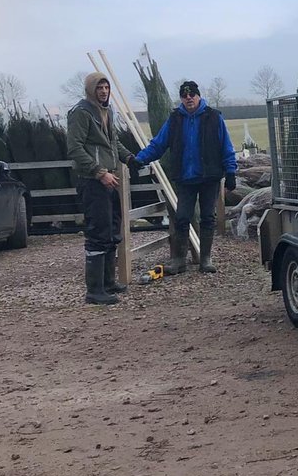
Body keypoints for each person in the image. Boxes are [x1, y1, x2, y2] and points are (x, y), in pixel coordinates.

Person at [132, 80, 237, 275]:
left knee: (207, 217)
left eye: (192, 94)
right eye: (184, 95)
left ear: (198, 96)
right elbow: (158, 144)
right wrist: (140, 159)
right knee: (182, 218)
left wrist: (231, 171)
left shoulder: (214, 118)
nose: (188, 98)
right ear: (181, 98)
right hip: (185, 177)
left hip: (209, 176)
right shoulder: (174, 120)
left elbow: (226, 147)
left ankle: (205, 258)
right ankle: (179, 259)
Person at [66, 71, 140, 305]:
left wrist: (130, 158)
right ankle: (94, 289)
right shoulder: (81, 113)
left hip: (110, 178)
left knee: (111, 229)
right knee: (98, 232)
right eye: (99, 88)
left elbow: (112, 142)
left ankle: (108, 282)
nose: (104, 91)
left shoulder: (106, 112)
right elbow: (75, 148)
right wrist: (99, 172)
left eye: (107, 88)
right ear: (91, 90)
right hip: (92, 181)